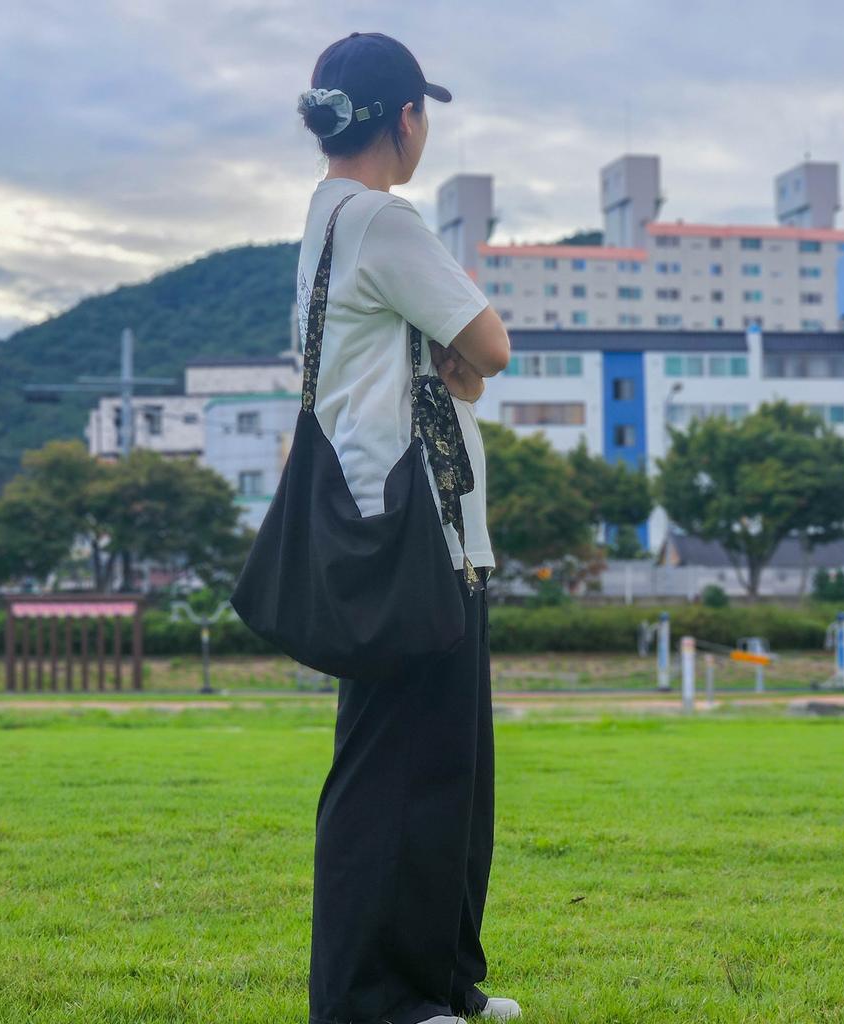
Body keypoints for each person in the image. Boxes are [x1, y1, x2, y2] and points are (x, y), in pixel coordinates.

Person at [294, 31, 519, 1024]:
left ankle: (438, 989)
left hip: (409, 529)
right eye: (422, 113)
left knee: (444, 778)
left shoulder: (326, 218)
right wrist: (462, 354)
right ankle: (369, 1001)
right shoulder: (384, 222)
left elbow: (452, 361)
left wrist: (455, 359)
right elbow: (489, 346)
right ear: (403, 119)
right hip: (409, 532)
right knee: (396, 778)